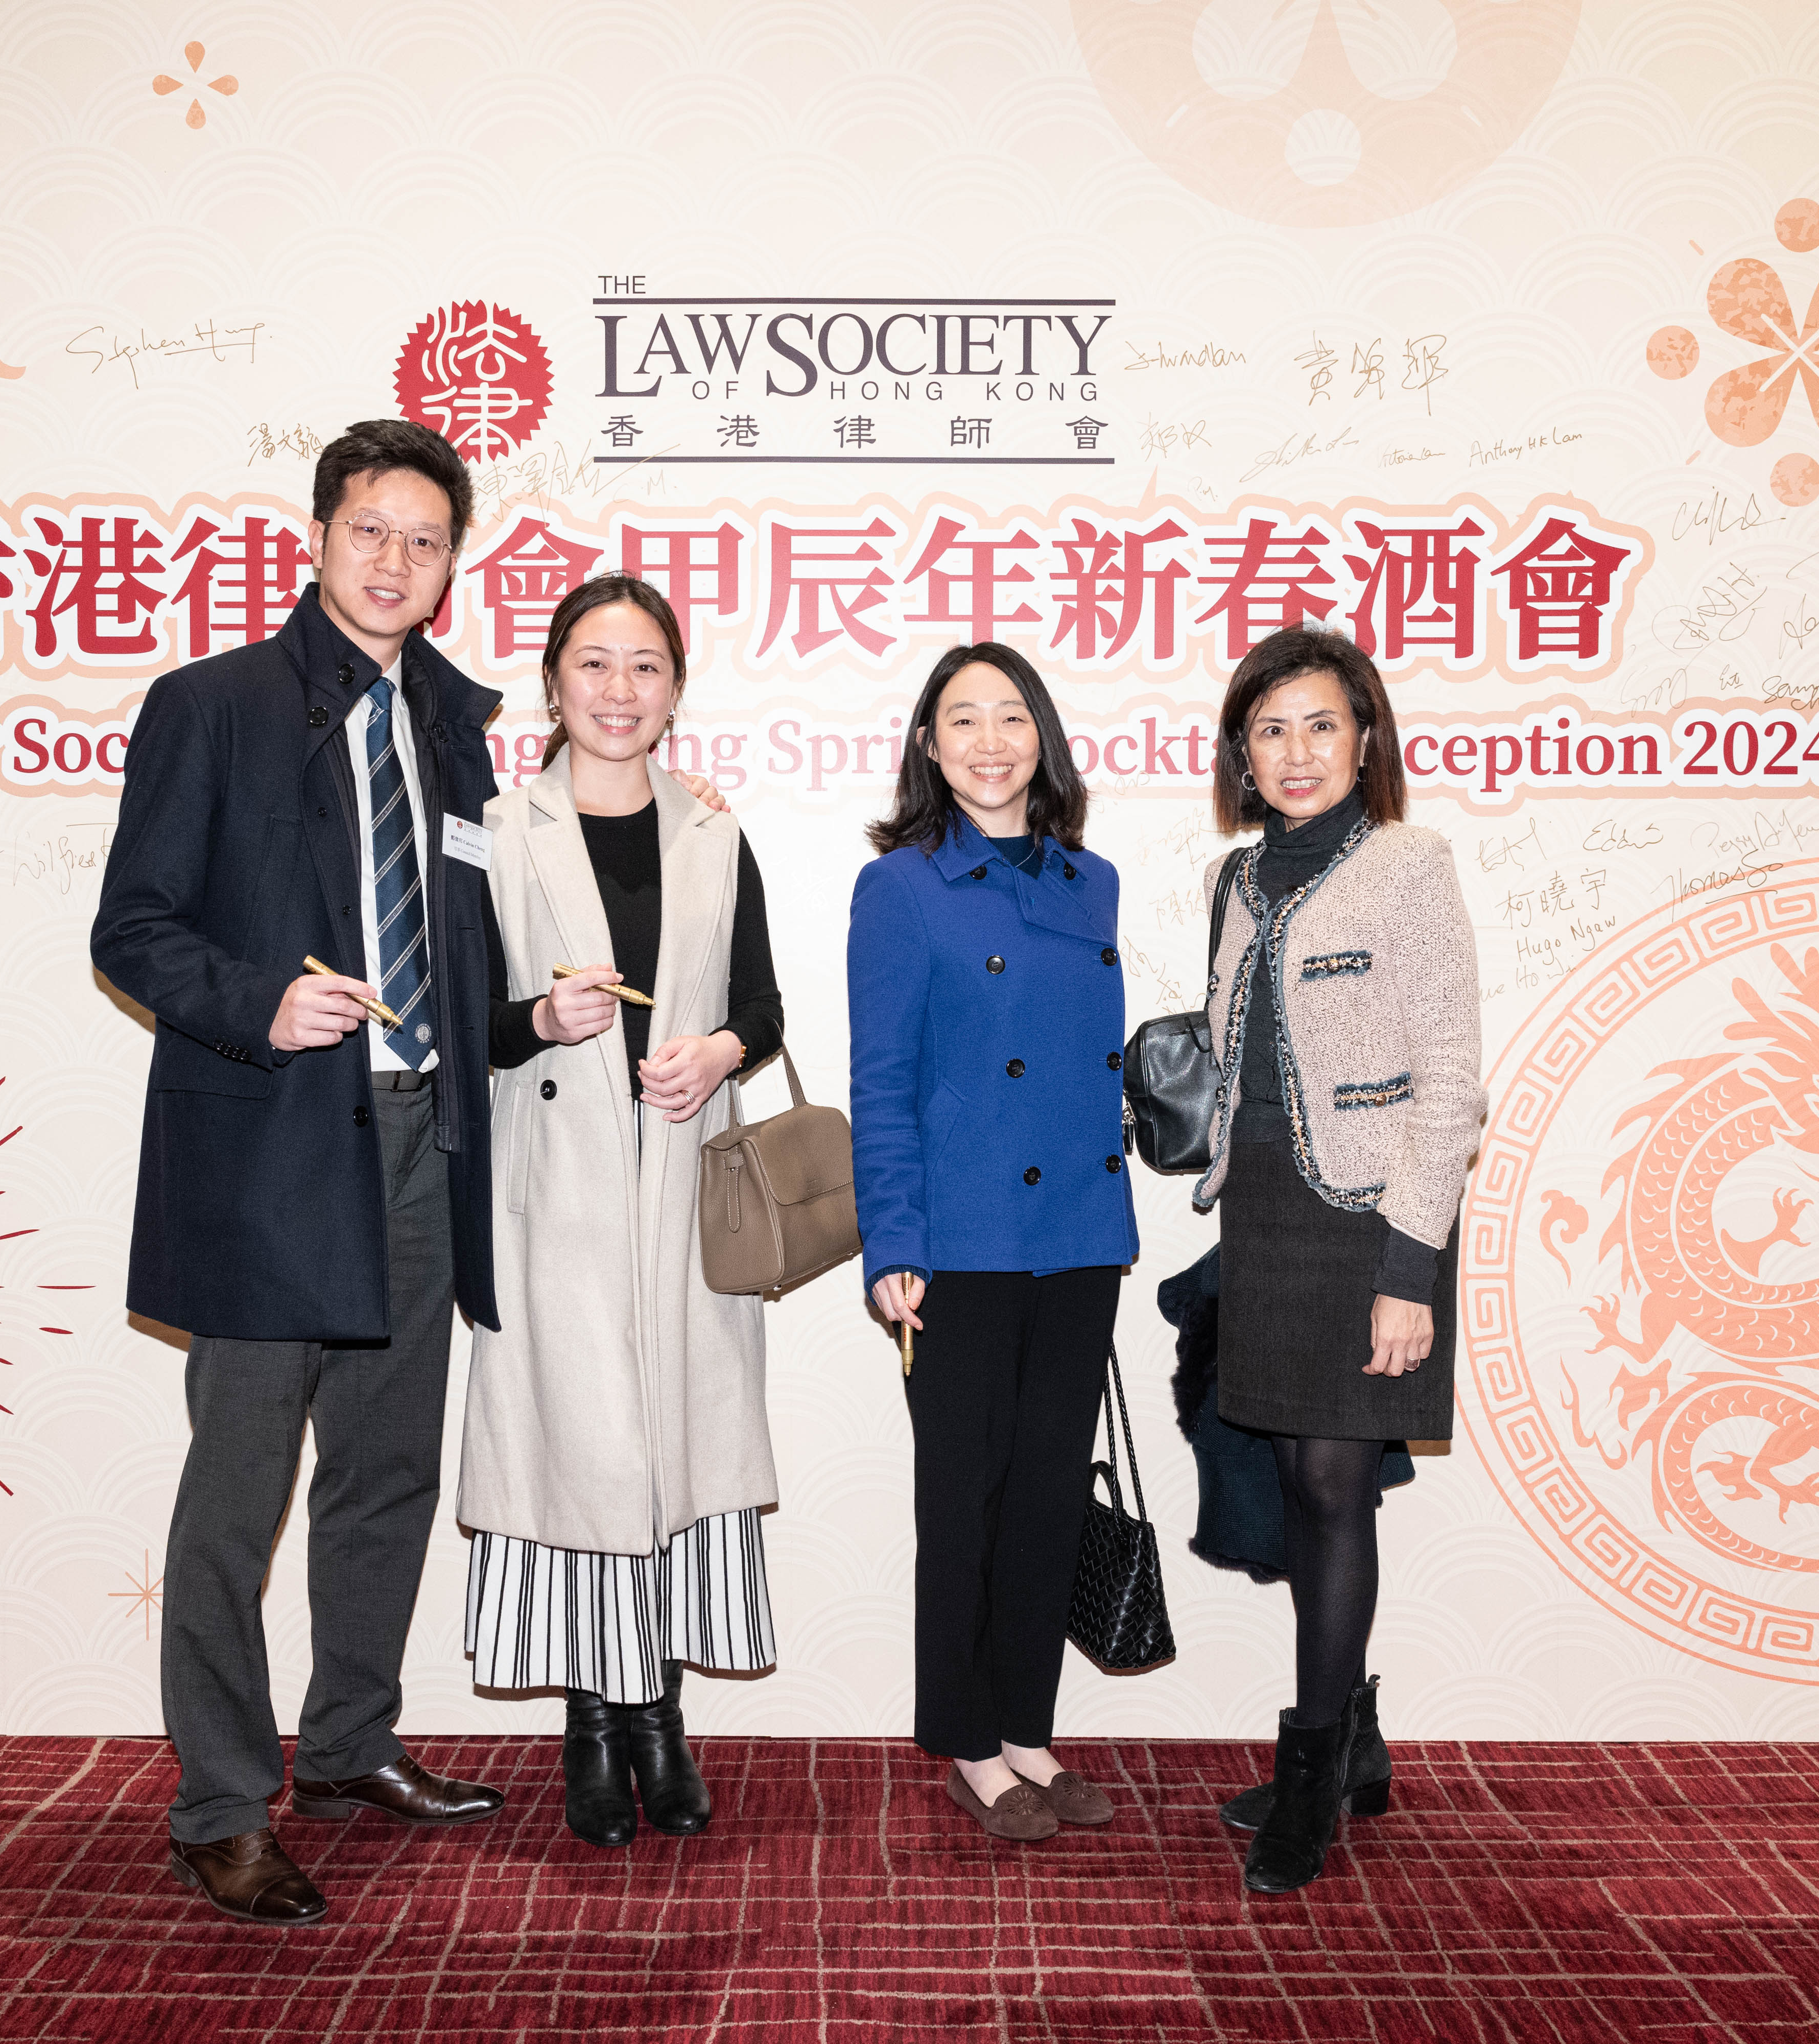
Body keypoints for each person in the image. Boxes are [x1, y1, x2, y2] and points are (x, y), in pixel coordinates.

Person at [89, 418, 511, 1928]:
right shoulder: (212, 706)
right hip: (271, 1149)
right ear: (319, 537)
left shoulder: (458, 727)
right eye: (371, 530)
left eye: (426, 540)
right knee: (239, 1491)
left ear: (452, 566)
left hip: (423, 1143)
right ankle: (220, 1804)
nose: (396, 561)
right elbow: (133, 929)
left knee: (389, 1471)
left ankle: (346, 1746)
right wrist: (259, 1002)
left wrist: (535, 1013)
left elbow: (460, 948)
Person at [458, 574, 786, 1850]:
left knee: (675, 1451)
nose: (619, 689)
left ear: (676, 690)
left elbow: (764, 1005)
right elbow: (460, 1022)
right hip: (557, 1193)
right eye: (593, 663)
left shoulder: (713, 831)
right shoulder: (496, 830)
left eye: (645, 666)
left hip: (684, 1190)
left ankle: (663, 1720)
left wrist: (719, 1052)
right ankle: (595, 1728)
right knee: (584, 1455)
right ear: (553, 684)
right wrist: (540, 1018)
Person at [1189, 626, 1482, 1896]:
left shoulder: (1409, 864)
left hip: (1370, 1222)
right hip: (1261, 1217)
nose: (1297, 752)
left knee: (1330, 1482)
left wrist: (1409, 1271)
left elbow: (1452, 1082)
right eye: (1271, 730)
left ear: (1365, 740)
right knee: (1303, 1488)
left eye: (1321, 724)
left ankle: (1311, 1771)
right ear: (1241, 755)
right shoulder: (1235, 880)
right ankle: (1351, 1737)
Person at [846, 641, 1139, 1843]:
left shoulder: (1091, 881)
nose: (988, 741)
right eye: (961, 719)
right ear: (929, 744)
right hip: (958, 1243)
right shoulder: (902, 887)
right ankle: (970, 1742)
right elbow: (883, 1081)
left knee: (1047, 1502)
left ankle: (1028, 1730)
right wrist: (891, 1244)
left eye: (1011, 716)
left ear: (1043, 737)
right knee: (963, 1502)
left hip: (1078, 1235)